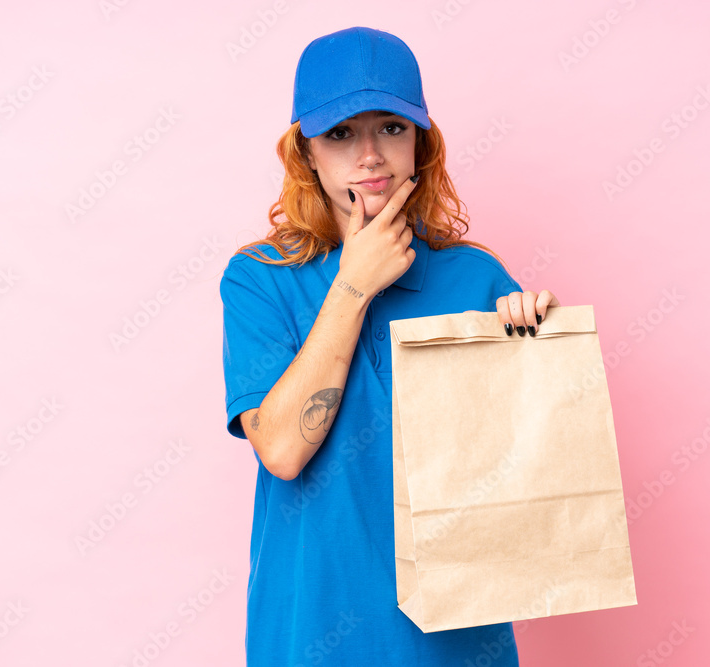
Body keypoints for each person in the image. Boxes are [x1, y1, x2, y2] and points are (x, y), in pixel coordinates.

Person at [220, 26, 558, 666]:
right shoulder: (259, 280)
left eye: (391, 128)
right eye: (341, 134)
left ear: (420, 147)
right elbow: (284, 449)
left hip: (456, 646)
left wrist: (537, 352)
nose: (369, 155)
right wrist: (354, 282)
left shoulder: (478, 280)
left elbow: (527, 490)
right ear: (307, 154)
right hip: (308, 638)